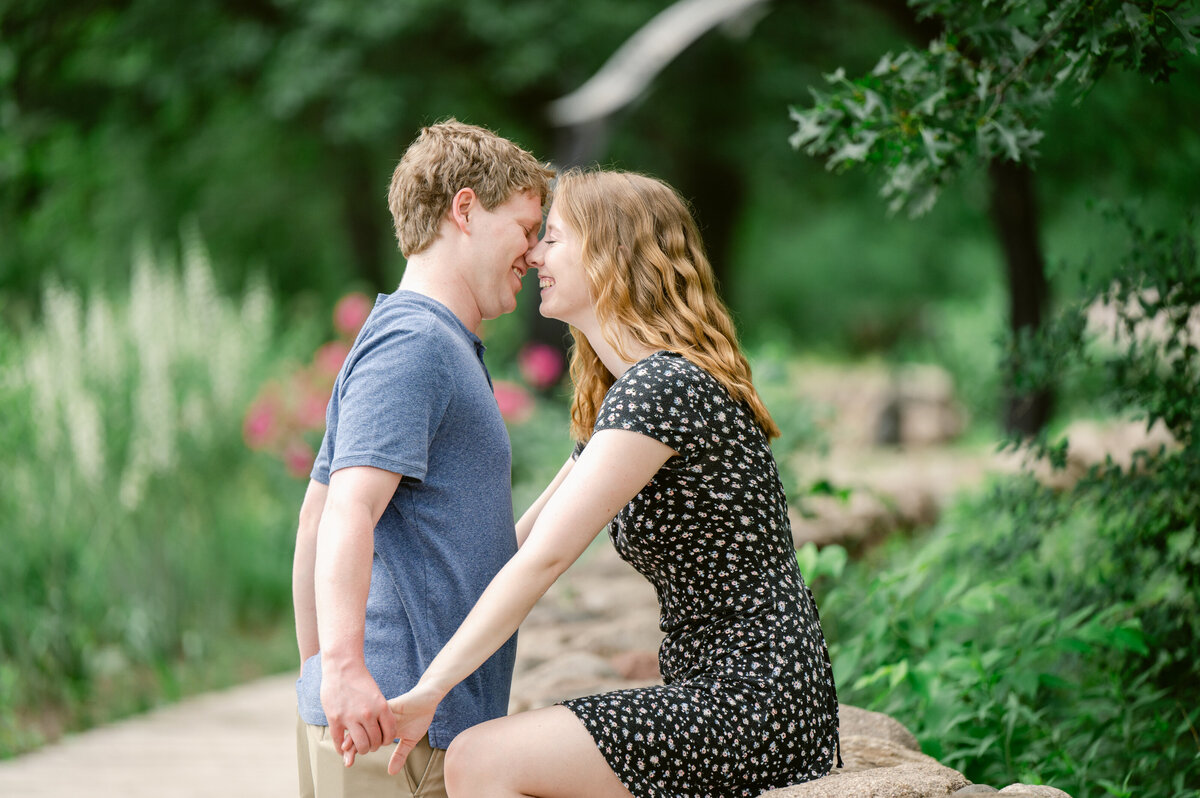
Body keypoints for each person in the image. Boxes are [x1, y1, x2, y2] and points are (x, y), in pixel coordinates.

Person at [358, 168, 841, 798]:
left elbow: (545, 560)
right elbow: (521, 541)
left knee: (481, 760)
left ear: (610, 253)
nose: (532, 254)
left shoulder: (663, 389)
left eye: (552, 237)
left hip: (757, 701)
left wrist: (431, 690)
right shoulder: (631, 394)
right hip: (727, 693)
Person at [291, 119, 554, 798]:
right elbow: (346, 508)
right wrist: (342, 671)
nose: (534, 251)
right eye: (526, 228)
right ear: (464, 209)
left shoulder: (419, 339)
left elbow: (315, 516)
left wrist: (322, 674)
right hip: (401, 736)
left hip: (390, 727)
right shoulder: (415, 343)